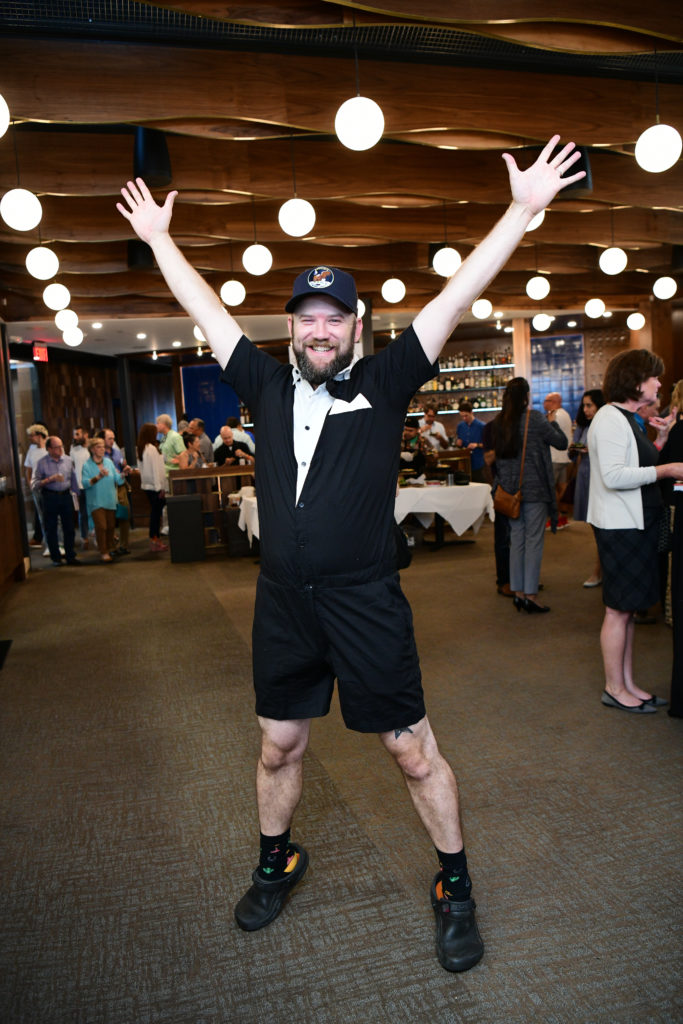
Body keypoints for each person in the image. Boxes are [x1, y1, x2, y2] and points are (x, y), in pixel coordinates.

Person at [117, 133, 585, 973]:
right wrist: (159, 241)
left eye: (335, 318)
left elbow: (455, 292)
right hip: (283, 602)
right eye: (308, 318)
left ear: (356, 327)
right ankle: (276, 860)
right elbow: (207, 312)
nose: (320, 330)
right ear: (292, 328)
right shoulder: (261, 382)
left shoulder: (387, 379)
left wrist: (520, 211)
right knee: (277, 746)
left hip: (366, 598)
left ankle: (454, 884)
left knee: (410, 750)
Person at [586, 349, 683, 713]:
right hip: (620, 525)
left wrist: (659, 444)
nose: (659, 383)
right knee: (618, 610)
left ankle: (626, 684)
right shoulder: (612, 418)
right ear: (636, 381)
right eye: (654, 377)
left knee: (625, 609)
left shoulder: (626, 418)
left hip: (633, 521)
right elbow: (614, 477)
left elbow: (634, 464)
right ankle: (614, 687)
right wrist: (668, 469)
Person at [493, 378, 568, 613]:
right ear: (526, 396)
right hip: (534, 490)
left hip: (510, 491)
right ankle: (530, 595)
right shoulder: (534, 418)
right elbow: (561, 443)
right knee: (534, 541)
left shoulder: (500, 422)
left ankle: (517, 592)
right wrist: (553, 422)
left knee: (516, 540)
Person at [569, 390, 605, 587]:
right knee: (594, 525)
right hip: (584, 474)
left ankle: (599, 571)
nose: (586, 409)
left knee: (601, 526)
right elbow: (572, 454)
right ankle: (601, 570)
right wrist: (574, 448)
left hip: (598, 476)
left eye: (589, 405)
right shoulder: (583, 425)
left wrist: (592, 450)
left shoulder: (605, 424)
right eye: (584, 405)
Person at [31, 436, 80, 566]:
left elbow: (73, 478)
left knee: (69, 527)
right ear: (49, 449)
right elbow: (34, 484)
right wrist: (49, 479)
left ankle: (70, 556)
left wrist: (76, 494)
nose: (60, 449)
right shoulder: (41, 463)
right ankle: (56, 558)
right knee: (51, 528)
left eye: (61, 446)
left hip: (65, 496)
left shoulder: (68, 460)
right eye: (57, 447)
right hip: (49, 497)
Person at [81, 437, 125, 563]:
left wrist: (123, 474)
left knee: (111, 526)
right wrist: (98, 477)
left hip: (110, 499)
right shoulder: (87, 465)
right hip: (95, 501)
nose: (102, 449)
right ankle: (103, 551)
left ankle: (110, 547)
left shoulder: (108, 462)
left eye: (102, 446)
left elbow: (117, 479)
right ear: (92, 449)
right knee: (101, 526)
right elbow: (85, 483)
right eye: (99, 447)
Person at [483, 418, 511, 597]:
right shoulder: (492, 427)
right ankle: (504, 581)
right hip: (503, 488)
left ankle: (524, 578)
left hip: (525, 488)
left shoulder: (525, 424)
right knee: (503, 538)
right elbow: (488, 459)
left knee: (522, 538)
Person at [137, 422, 168, 552]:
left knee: (155, 514)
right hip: (155, 487)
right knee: (155, 515)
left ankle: (155, 539)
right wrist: (160, 488)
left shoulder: (141, 448)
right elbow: (156, 470)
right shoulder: (151, 449)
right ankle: (155, 539)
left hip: (147, 486)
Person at [543, 391, 573, 528]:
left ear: (554, 402)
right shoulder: (565, 414)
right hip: (564, 457)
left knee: (550, 487)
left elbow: (548, 435)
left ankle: (555, 517)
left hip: (554, 456)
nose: (544, 404)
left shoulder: (554, 415)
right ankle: (562, 517)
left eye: (547, 401)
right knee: (562, 486)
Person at [23, 423, 49, 550]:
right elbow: (28, 469)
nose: (29, 438)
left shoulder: (50, 447)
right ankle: (44, 540)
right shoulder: (31, 450)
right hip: (37, 487)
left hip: (50, 486)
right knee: (40, 515)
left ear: (39, 435)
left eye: (31, 435)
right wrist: (30, 484)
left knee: (53, 514)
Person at [70, 426, 91, 550]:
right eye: (74, 434)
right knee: (82, 513)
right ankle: (84, 537)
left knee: (95, 511)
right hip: (79, 486)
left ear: (85, 434)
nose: (75, 437)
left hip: (92, 484)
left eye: (77, 434)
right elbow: (71, 468)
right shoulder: (73, 449)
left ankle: (98, 535)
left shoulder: (92, 448)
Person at [455, 401, 486, 482]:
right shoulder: (460, 426)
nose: (464, 418)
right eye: (462, 416)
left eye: (466, 416)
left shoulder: (482, 426)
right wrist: (458, 443)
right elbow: (459, 444)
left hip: (479, 462)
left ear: (472, 412)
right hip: (464, 463)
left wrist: (477, 445)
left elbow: (489, 444)